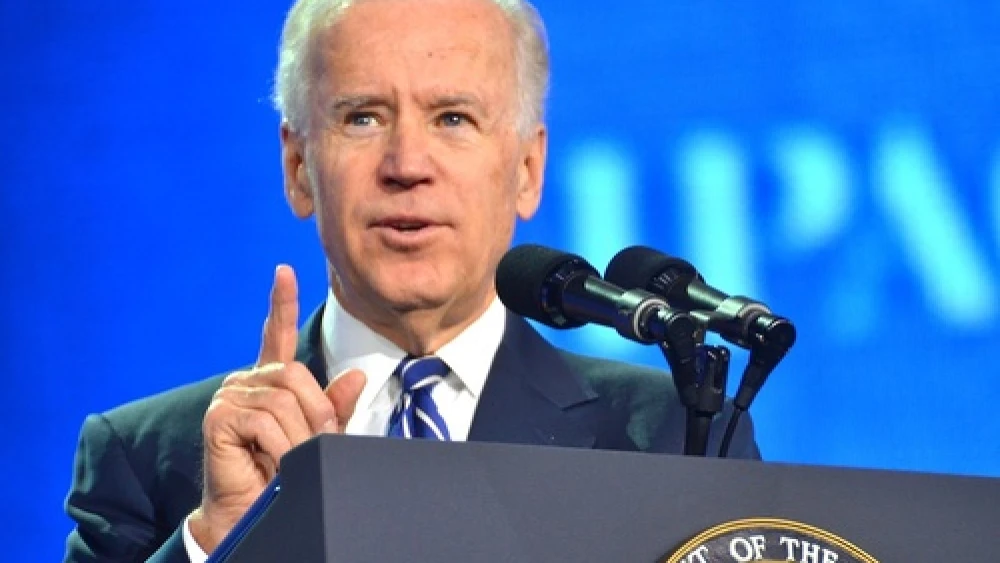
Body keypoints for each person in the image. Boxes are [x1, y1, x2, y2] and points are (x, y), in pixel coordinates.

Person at [63, 0, 760, 561]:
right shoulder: (146, 456)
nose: (407, 163)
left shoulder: (675, 431)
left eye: (452, 118)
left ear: (527, 169)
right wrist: (218, 541)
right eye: (363, 117)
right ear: (299, 166)